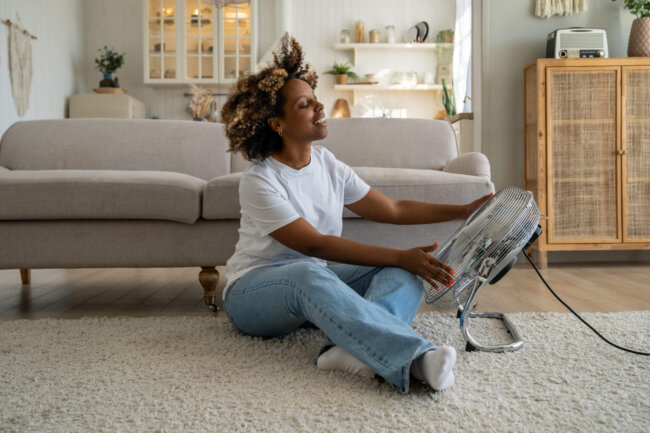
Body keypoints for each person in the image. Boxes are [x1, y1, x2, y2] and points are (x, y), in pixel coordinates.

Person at [220, 34, 492, 394]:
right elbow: (314, 245)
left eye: (316, 100)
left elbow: (392, 209)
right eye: (305, 105)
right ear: (277, 124)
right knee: (310, 271)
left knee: (401, 271)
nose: (320, 108)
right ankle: (414, 360)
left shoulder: (327, 164)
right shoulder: (260, 180)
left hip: (313, 283)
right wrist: (402, 254)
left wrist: (464, 211)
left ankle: (344, 351)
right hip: (254, 294)